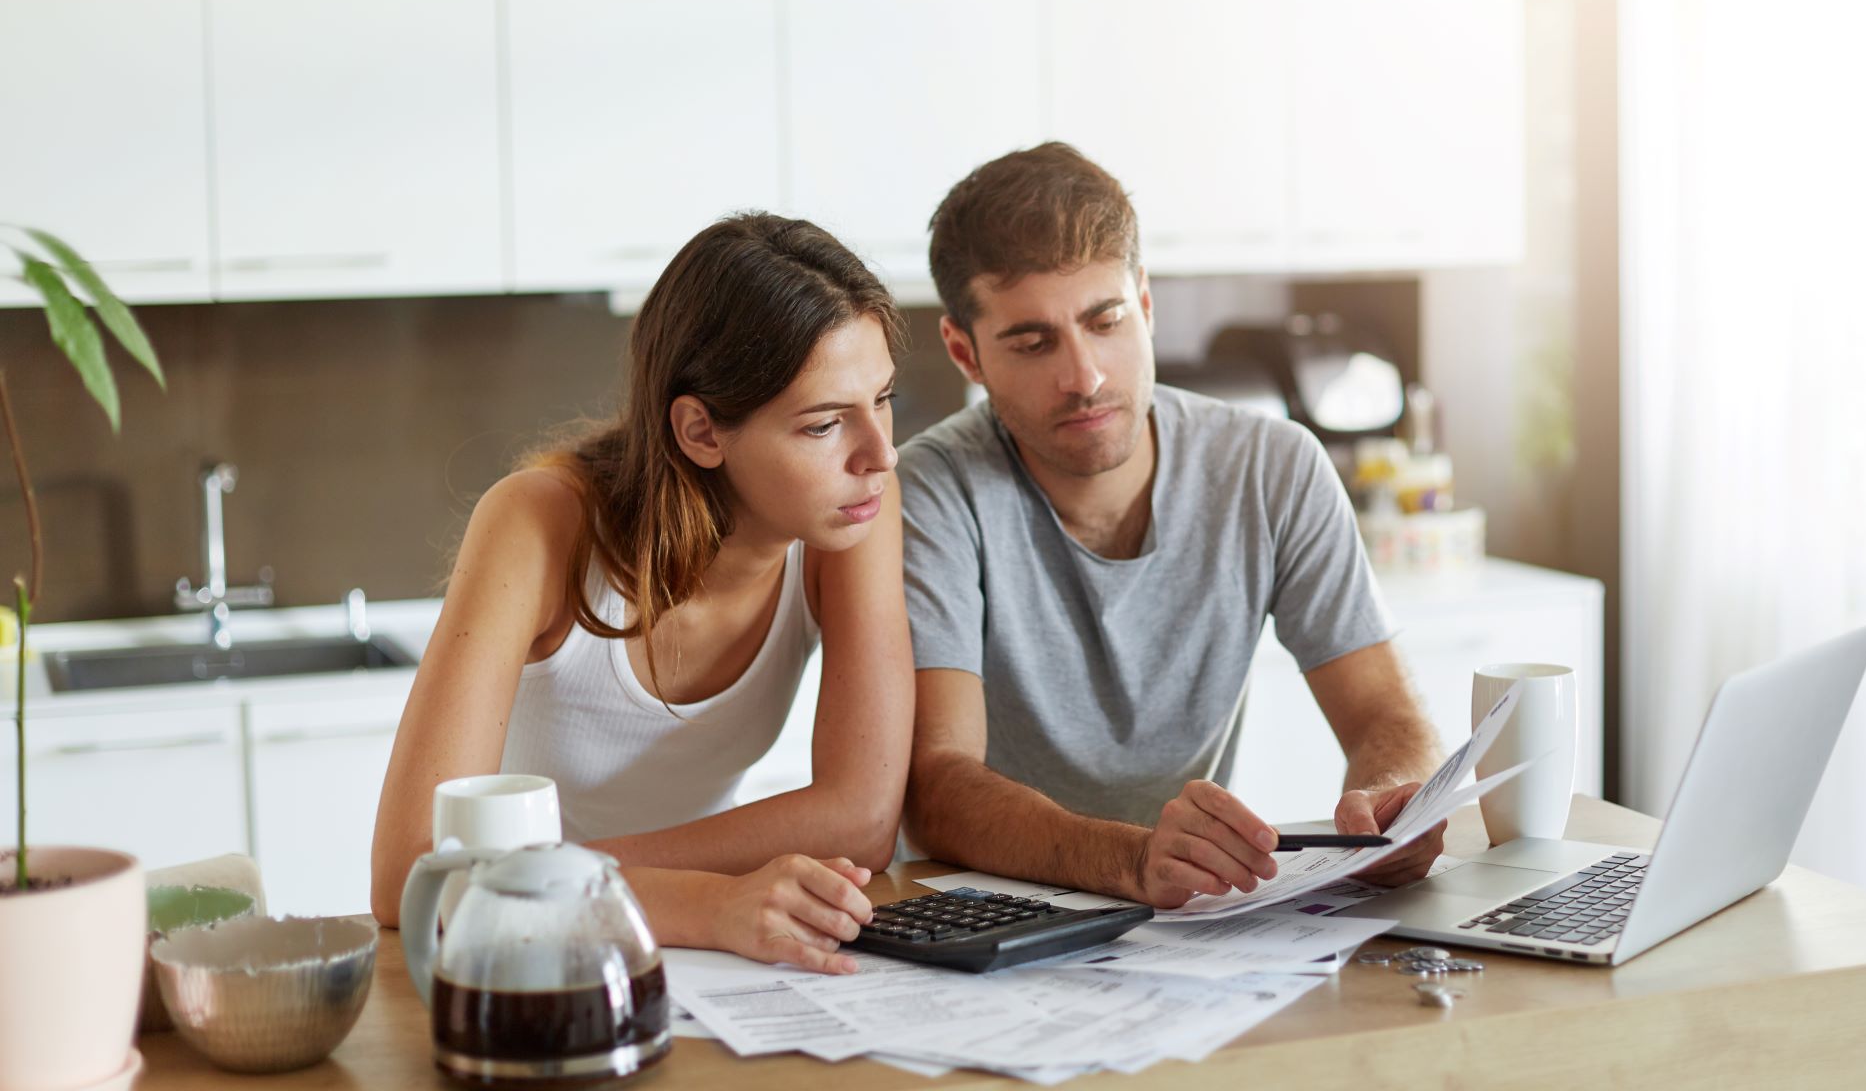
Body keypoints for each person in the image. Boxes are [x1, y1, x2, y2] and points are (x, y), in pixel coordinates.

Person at [899, 143, 1446, 909]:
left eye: (1106, 320)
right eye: (1032, 342)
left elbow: (1386, 715)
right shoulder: (929, 493)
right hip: (987, 908)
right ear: (966, 353)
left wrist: (1395, 804)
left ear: (1146, 306)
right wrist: (1132, 860)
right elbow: (937, 785)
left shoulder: (1273, 466)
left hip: (1182, 913)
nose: (1084, 376)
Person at [371, 214, 913, 975]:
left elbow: (860, 818)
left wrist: (529, 879)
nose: (881, 454)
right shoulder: (536, 523)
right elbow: (410, 877)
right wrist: (693, 901)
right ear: (700, 431)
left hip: (700, 951)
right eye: (824, 423)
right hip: (520, 957)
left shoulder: (854, 510)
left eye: (884, 398)